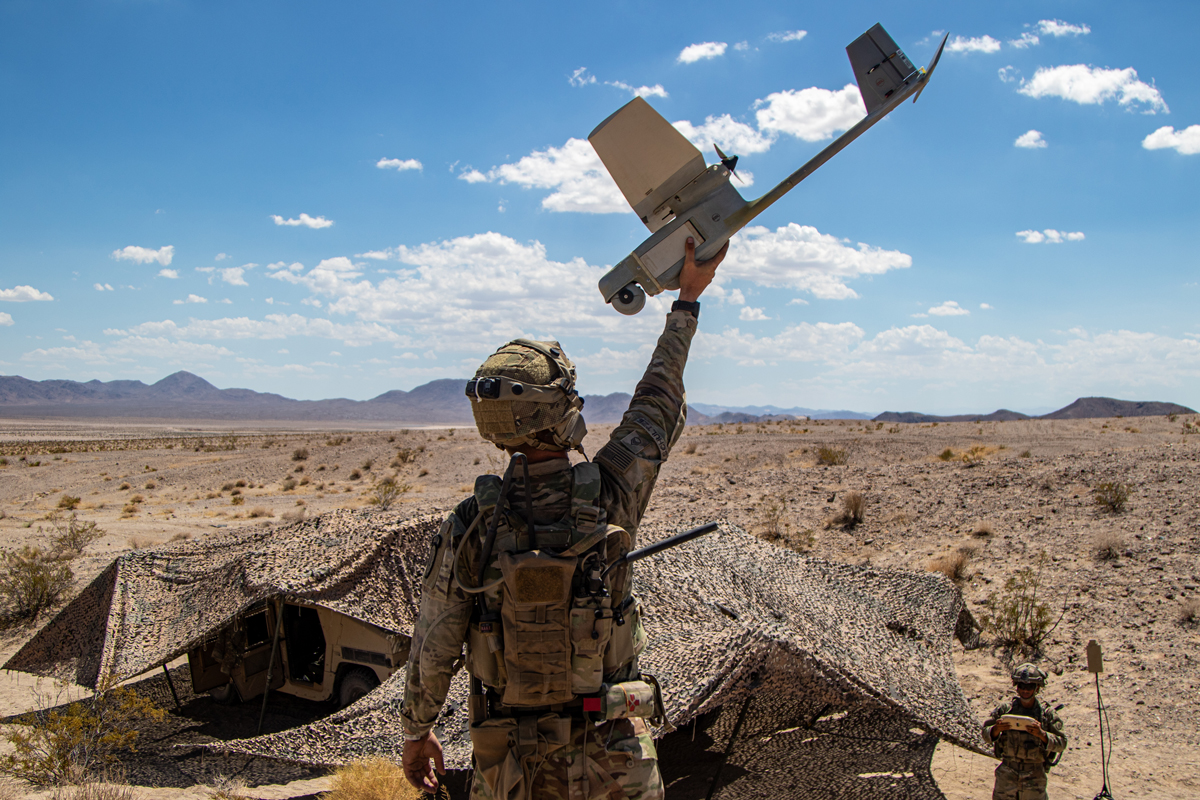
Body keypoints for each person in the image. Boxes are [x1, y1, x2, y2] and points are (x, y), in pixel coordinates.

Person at [401, 238, 728, 799]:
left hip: (511, 773)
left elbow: (436, 642)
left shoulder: (469, 527)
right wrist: (687, 302)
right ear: (564, 409)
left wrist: (416, 733)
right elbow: (657, 400)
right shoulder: (612, 492)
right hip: (614, 767)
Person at [982, 662, 1068, 800]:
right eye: (1021, 686)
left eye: (1029, 687)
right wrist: (996, 729)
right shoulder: (1005, 710)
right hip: (1007, 773)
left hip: (1034, 774)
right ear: (1017, 687)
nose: (1025, 690)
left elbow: (1062, 743)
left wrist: (1042, 735)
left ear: (1037, 688)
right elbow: (985, 733)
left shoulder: (1046, 714)